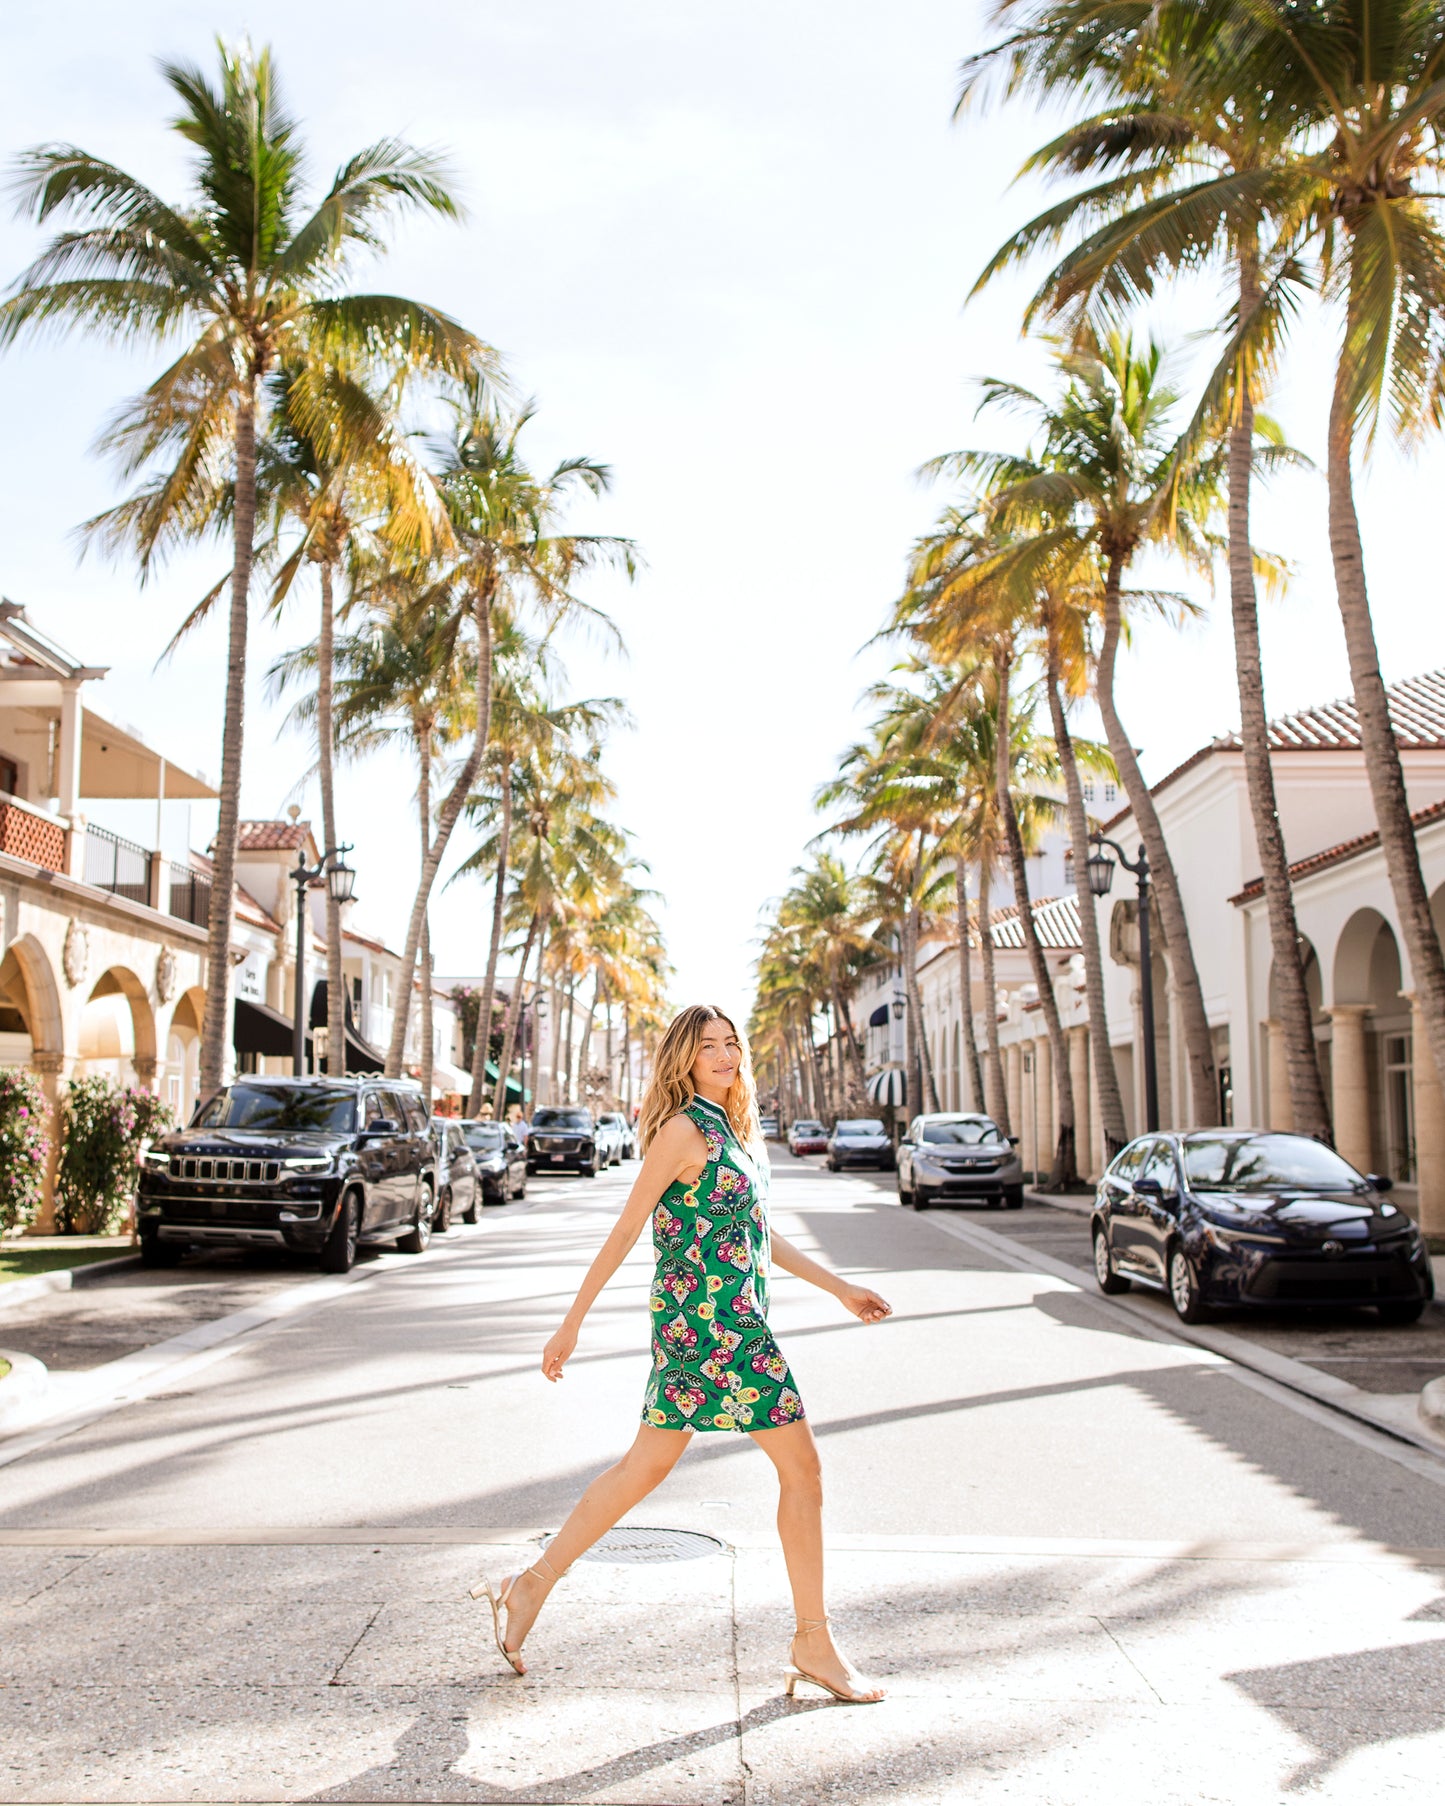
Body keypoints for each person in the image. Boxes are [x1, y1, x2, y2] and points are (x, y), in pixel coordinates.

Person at [474, 1003, 891, 1703]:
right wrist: (570, 1323)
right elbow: (625, 1229)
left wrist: (838, 1288)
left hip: (723, 1323)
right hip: (712, 1330)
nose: (725, 1056)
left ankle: (529, 1586)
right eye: (709, 1047)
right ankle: (812, 1640)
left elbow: (758, 1237)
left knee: (645, 1466)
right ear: (684, 1059)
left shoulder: (732, 1131)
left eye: (732, 1044)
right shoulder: (682, 1130)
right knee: (803, 1469)